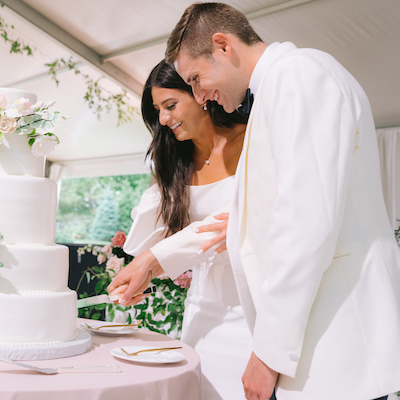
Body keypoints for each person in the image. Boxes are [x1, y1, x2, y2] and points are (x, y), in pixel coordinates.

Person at [113, 2, 400, 400]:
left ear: (223, 45)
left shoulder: (298, 76)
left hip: (337, 341)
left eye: (196, 78)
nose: (200, 94)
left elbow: (305, 225)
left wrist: (267, 355)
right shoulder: (279, 87)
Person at [110, 59, 248, 399]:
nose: (164, 119)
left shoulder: (252, 140)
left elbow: (231, 224)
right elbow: (143, 244)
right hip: (203, 314)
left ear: (201, 93)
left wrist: (151, 262)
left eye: (170, 105)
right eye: (157, 110)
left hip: (252, 312)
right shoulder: (178, 167)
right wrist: (144, 268)